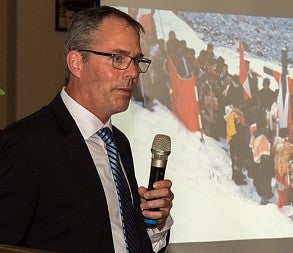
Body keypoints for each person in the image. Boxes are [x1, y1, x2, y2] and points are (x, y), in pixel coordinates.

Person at [0, 6, 173, 253]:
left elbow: (118, 238)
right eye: (118, 58)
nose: (133, 72)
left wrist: (156, 223)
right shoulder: (26, 145)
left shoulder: (118, 143)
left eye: (136, 60)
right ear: (76, 63)